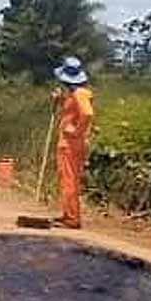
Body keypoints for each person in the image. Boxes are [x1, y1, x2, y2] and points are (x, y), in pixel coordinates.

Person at [51, 56, 95, 229]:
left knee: (69, 180)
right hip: (68, 143)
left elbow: (87, 114)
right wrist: (59, 100)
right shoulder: (73, 94)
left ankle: (72, 218)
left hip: (71, 144)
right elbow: (72, 109)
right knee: (66, 179)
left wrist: (76, 131)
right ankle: (68, 214)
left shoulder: (80, 94)